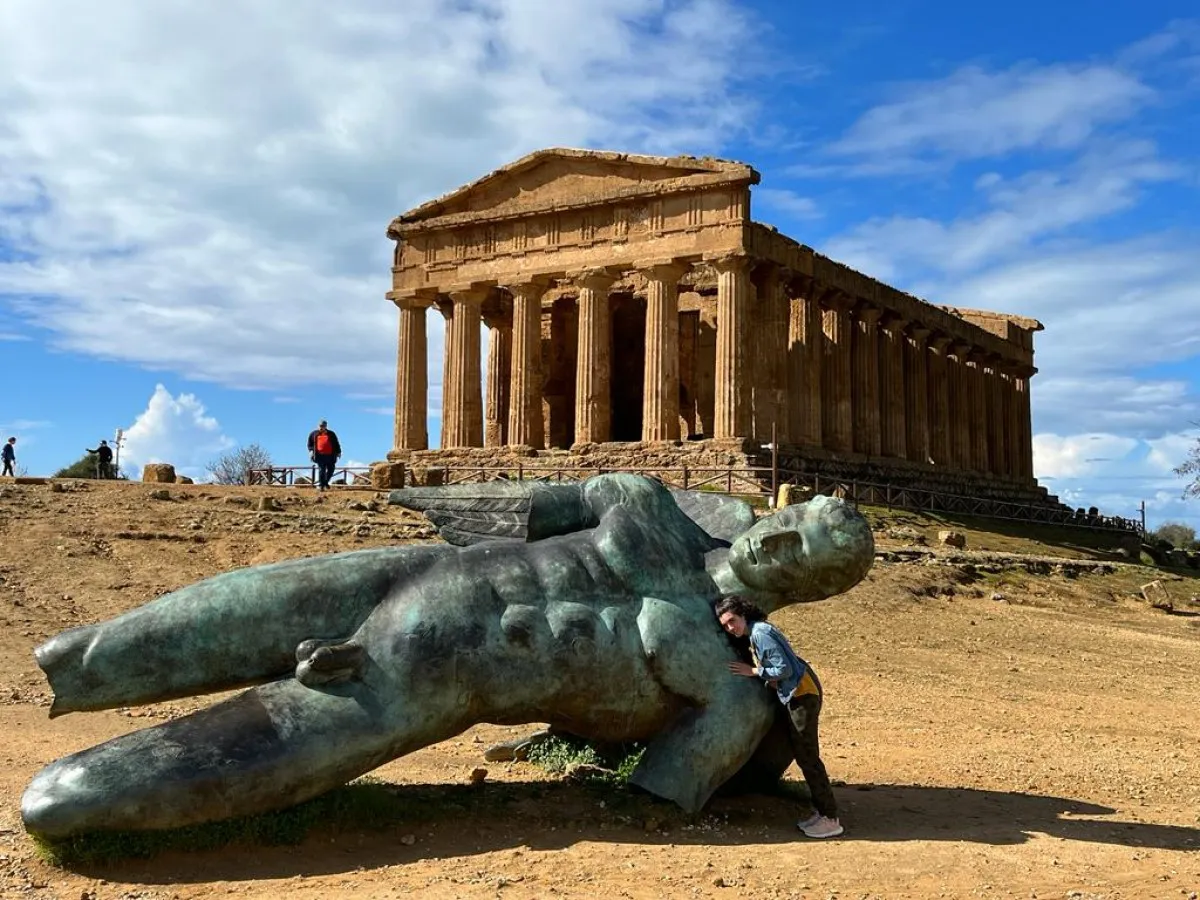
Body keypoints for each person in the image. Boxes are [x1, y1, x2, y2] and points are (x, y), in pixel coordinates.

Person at [715, 594, 843, 839]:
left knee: (808, 757)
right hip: (798, 692)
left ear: (742, 613)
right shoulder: (757, 632)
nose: (731, 628)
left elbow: (783, 668)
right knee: (805, 755)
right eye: (726, 626)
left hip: (801, 695)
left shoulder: (759, 633)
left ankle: (830, 818)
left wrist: (753, 671)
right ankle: (823, 811)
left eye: (732, 621)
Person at [306, 419, 341, 491]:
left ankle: (325, 482)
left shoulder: (331, 434)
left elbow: (336, 444)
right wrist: (311, 451)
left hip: (330, 456)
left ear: (326, 426)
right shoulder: (313, 434)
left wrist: (339, 452)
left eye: (323, 426)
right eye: (320, 426)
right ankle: (321, 486)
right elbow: (309, 444)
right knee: (322, 470)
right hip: (319, 455)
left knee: (331, 469)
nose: (321, 427)